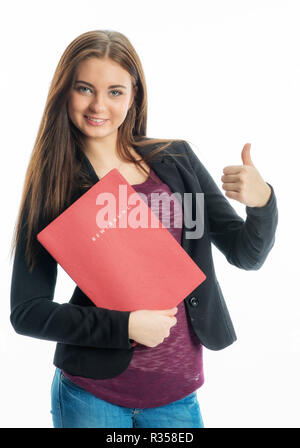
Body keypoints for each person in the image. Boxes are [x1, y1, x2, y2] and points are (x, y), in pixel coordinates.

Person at [9, 30, 278, 429]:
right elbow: (27, 312)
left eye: (115, 91)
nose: (98, 105)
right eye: (85, 88)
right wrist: (125, 326)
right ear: (65, 91)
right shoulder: (54, 186)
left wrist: (262, 203)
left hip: (177, 397)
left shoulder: (177, 160)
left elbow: (246, 253)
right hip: (92, 397)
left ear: (134, 94)